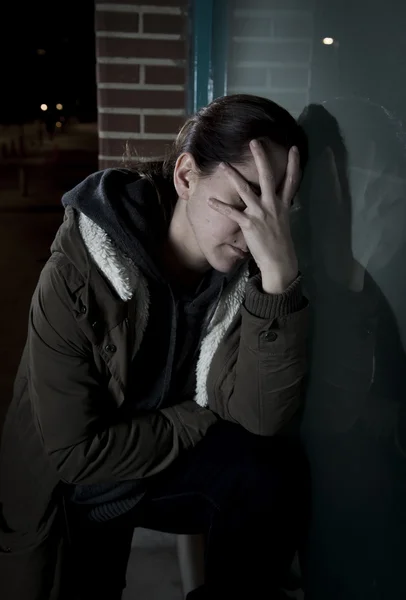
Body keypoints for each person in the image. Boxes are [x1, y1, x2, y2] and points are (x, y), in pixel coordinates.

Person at [0, 94, 309, 600]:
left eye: (277, 208)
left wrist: (278, 281)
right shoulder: (78, 272)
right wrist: (197, 415)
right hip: (80, 488)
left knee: (273, 473)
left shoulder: (246, 279)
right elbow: (76, 455)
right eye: (245, 199)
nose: (258, 231)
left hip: (160, 466)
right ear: (186, 176)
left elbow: (261, 416)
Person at [294, 98, 406, 599]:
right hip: (321, 447)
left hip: (362, 446)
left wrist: (386, 400)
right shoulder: (297, 267)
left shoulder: (371, 270)